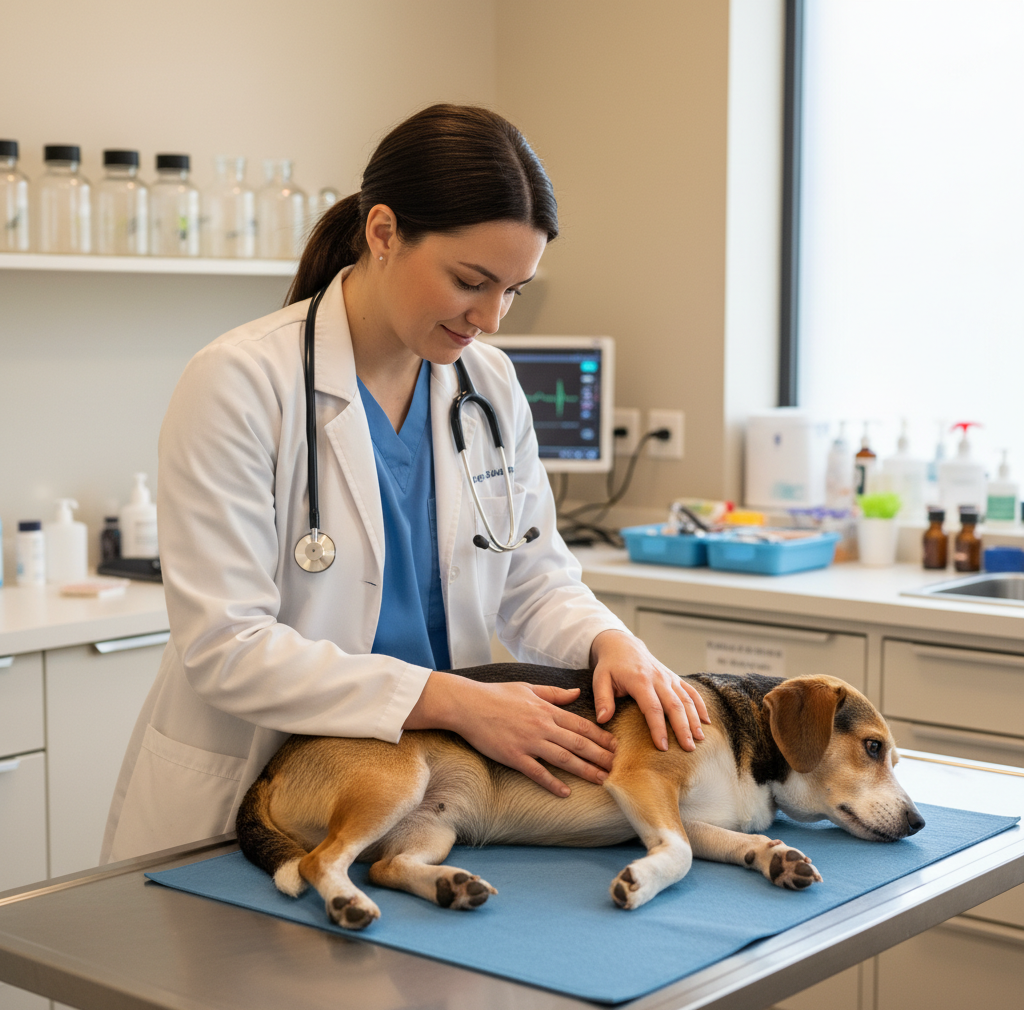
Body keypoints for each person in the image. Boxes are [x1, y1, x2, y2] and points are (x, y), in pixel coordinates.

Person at [100, 104, 708, 865]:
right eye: (470, 281)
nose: (490, 318)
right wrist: (456, 701)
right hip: (252, 794)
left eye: (515, 290)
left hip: (412, 791)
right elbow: (227, 645)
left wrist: (608, 642)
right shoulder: (240, 382)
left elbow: (533, 578)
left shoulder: (487, 385)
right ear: (383, 233)